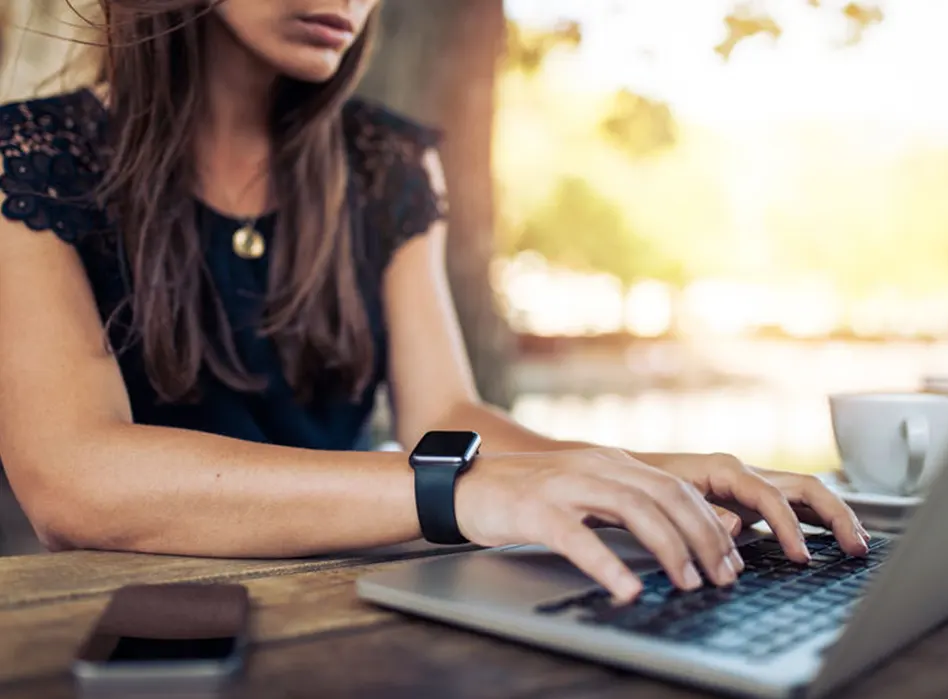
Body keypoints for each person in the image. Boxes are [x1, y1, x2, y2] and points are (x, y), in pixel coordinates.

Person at [0, 0, 867, 602]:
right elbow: (74, 478)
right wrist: (458, 492)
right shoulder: (33, 157)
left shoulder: (390, 163)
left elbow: (444, 415)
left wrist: (638, 472)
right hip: (131, 621)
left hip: (349, 599)